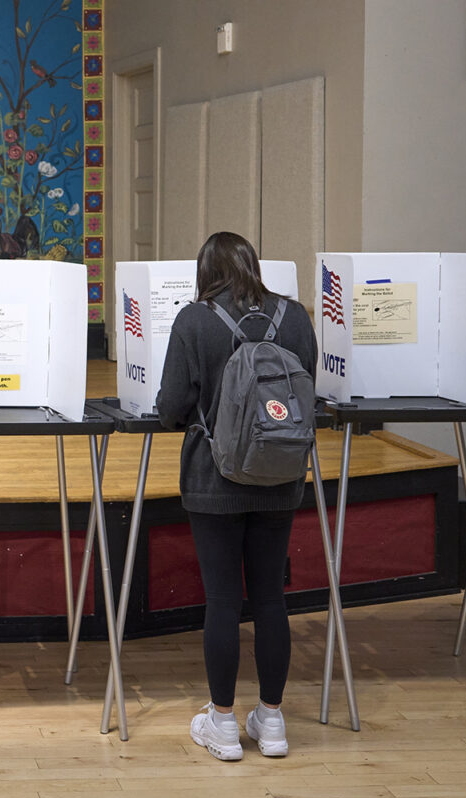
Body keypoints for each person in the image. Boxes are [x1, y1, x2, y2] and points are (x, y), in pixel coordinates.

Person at [155, 231, 317, 761]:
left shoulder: (193, 319)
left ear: (205, 272)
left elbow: (171, 406)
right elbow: (306, 387)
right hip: (280, 475)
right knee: (270, 597)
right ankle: (272, 722)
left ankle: (222, 724)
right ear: (253, 265)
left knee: (223, 600)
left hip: (214, 478)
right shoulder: (294, 316)